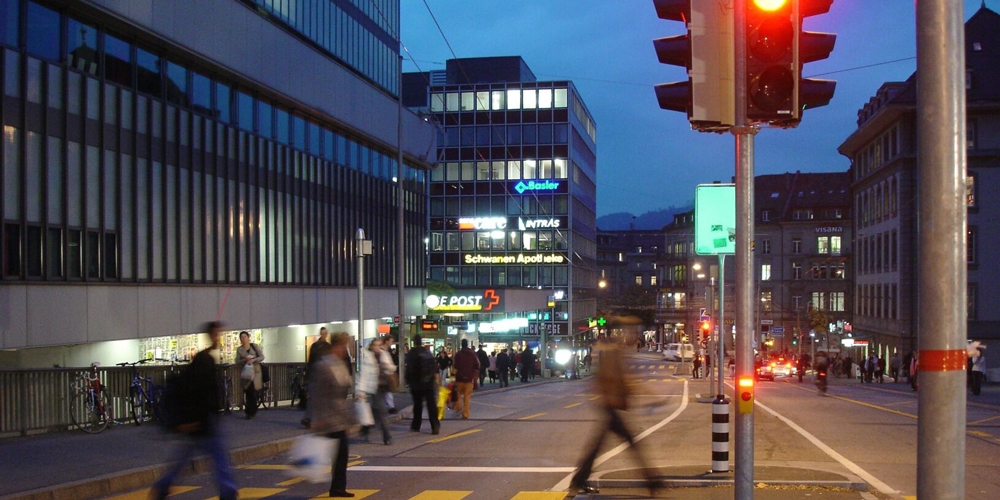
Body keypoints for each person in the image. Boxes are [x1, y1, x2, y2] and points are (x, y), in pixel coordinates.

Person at [153, 321, 237, 500]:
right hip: (202, 420)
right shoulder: (205, 361)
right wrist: (193, 420)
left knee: (184, 458)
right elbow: (201, 393)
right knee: (218, 456)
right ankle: (227, 490)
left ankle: (163, 486)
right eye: (218, 334)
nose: (220, 338)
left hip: (198, 420)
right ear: (212, 335)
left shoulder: (203, 358)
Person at [570, 336, 657, 496]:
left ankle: (578, 479)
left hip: (611, 407)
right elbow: (613, 380)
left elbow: (621, 379)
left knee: (597, 447)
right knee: (632, 444)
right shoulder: (613, 354)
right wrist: (635, 393)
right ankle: (653, 481)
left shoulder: (615, 353)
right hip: (611, 407)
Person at [310, 333, 355, 497]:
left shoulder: (340, 364)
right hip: (327, 417)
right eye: (343, 346)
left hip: (339, 417)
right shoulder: (323, 366)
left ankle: (338, 488)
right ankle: (335, 487)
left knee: (342, 454)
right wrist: (317, 419)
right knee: (334, 453)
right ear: (336, 346)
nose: (345, 350)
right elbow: (317, 394)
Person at [357, 337, 394, 445]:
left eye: (379, 345)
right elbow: (363, 375)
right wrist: (361, 391)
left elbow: (392, 368)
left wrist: (388, 366)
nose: (378, 348)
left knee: (374, 411)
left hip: (384, 386)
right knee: (382, 411)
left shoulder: (384, 355)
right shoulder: (368, 357)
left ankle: (365, 429)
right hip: (374, 387)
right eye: (376, 345)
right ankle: (387, 436)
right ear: (372, 346)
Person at [406, 335, 440, 434]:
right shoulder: (427, 352)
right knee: (431, 405)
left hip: (416, 383)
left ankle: (416, 425)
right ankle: (435, 425)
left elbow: (409, 369)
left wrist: (408, 381)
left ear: (414, 342)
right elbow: (434, 366)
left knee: (417, 405)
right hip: (429, 383)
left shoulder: (412, 353)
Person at [302, 327, 332, 428]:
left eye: (325, 333)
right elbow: (310, 361)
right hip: (315, 374)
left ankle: (319, 419)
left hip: (323, 375)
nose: (323, 335)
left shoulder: (327, 347)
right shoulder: (315, 346)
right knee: (312, 398)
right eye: (322, 333)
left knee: (322, 399)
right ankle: (309, 418)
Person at [235, 331, 266, 420]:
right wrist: (244, 360)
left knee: (252, 391)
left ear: (248, 337)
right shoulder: (240, 349)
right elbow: (237, 361)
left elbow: (262, 357)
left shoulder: (254, 346)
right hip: (246, 372)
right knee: (248, 392)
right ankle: (250, 411)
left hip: (255, 372)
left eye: (245, 336)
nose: (243, 339)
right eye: (242, 337)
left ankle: (251, 411)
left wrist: (254, 360)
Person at [452, 338, 480, 419]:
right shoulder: (472, 354)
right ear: (467, 344)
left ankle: (458, 407)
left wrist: (452, 376)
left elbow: (455, 367)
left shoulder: (458, 354)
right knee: (467, 397)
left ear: (461, 344)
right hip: (469, 379)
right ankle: (465, 414)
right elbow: (477, 365)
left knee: (457, 394)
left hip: (459, 379)